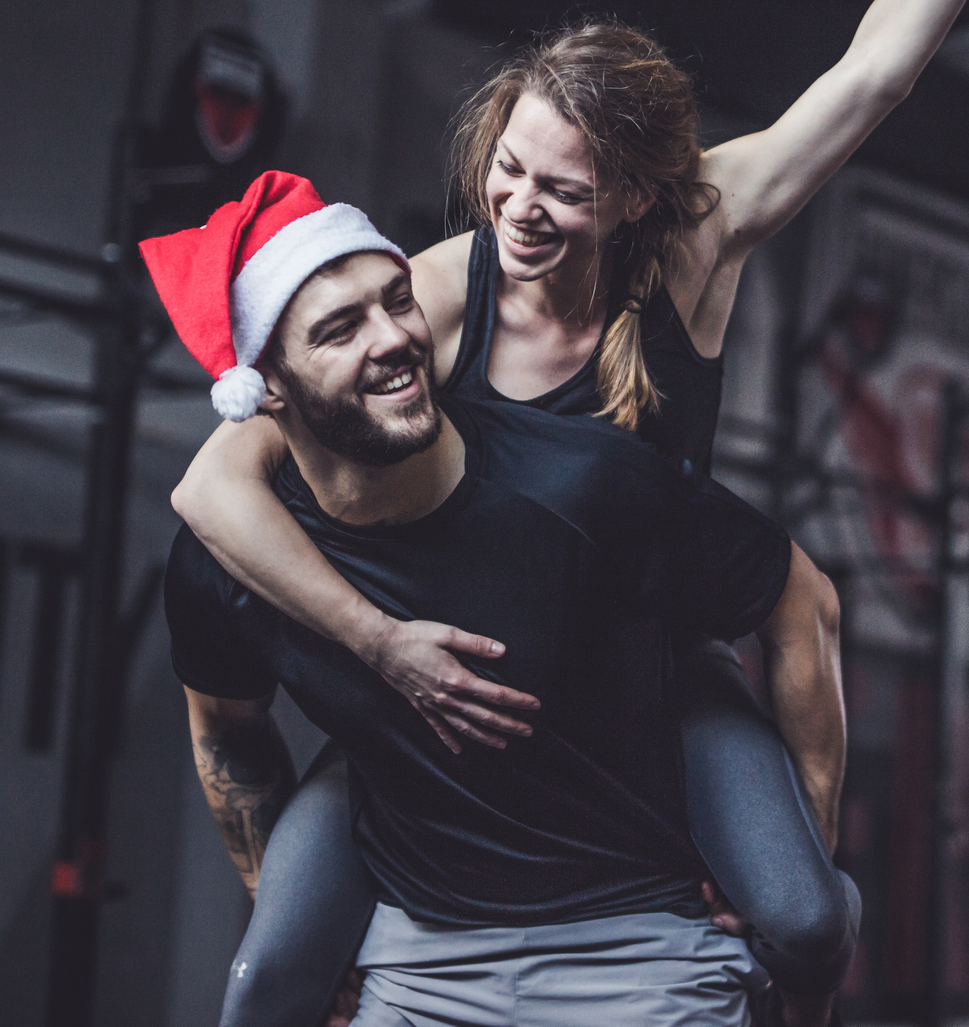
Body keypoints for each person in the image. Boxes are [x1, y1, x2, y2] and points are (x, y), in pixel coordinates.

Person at [174, 0, 969, 1025]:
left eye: (565, 189)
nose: (521, 208)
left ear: (639, 196)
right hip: (464, 676)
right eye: (508, 170)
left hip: (646, 667)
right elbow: (219, 480)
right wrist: (383, 649)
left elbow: (871, 76)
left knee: (797, 914)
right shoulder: (436, 286)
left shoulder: (694, 247)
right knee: (267, 978)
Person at [150, 174, 843, 1026]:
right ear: (268, 389)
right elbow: (227, 732)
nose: (395, 339)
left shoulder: (582, 485)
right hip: (419, 962)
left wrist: (811, 836)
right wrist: (314, 944)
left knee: (811, 920)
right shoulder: (227, 563)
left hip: (642, 949)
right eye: (338, 329)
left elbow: (797, 599)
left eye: (396, 301)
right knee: (257, 993)